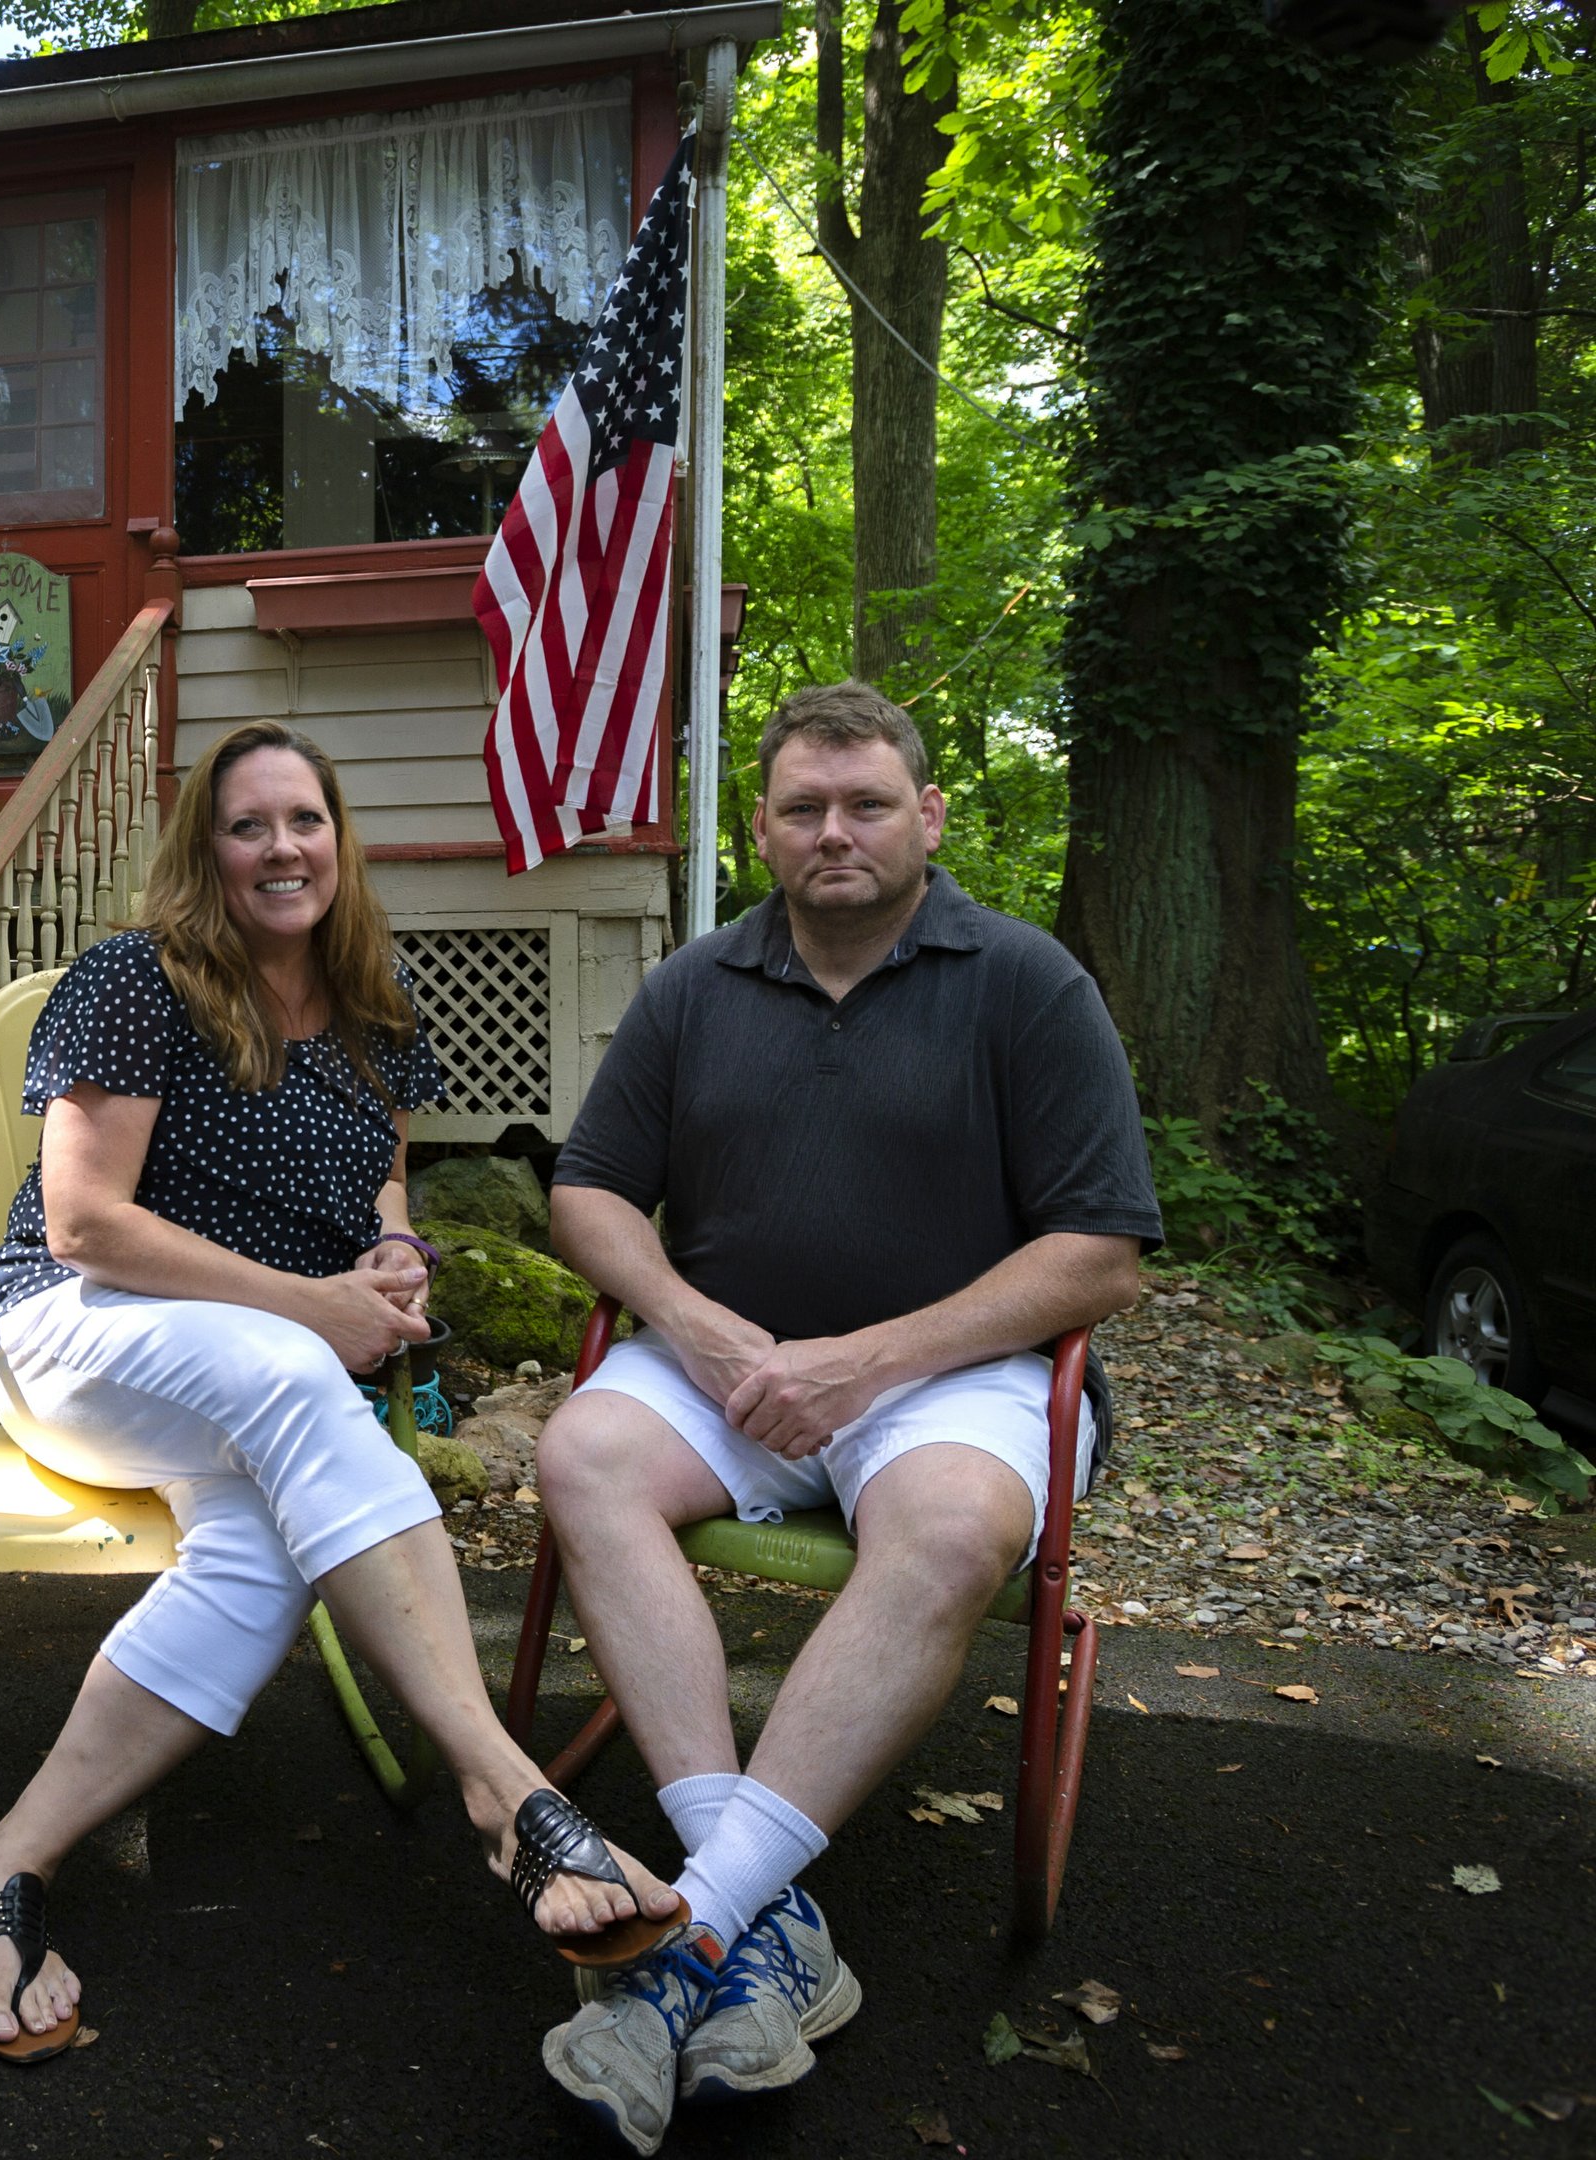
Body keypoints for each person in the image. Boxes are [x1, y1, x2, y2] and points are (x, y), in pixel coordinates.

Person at [0, 719, 682, 2065]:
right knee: (282, 1369)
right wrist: (312, 1310)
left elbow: (379, 1181)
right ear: (205, 851)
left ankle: (5, 1862)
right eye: (248, 824)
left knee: (265, 1548)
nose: (281, 848)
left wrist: (390, 1256)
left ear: (340, 841)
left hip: (249, 1381)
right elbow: (86, 1222)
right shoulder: (132, 983)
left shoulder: (373, 1002)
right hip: (80, 1334)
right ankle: (505, 1789)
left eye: (304, 821)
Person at [531, 683, 1160, 2153]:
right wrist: (686, 1317)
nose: (835, 833)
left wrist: (870, 1361)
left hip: (964, 1375)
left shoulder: (1025, 983)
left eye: (867, 804)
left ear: (927, 817)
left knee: (946, 1530)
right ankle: (753, 1918)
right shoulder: (697, 986)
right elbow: (589, 1191)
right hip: (734, 1362)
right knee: (584, 1452)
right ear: (762, 826)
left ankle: (687, 1936)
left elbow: (1104, 1252)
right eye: (804, 808)